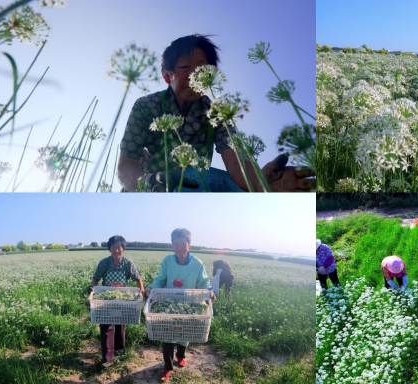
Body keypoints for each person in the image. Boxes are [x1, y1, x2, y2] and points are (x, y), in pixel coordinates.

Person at [118, 34, 315, 192]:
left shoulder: (219, 114)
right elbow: (126, 165)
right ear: (167, 75)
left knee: (213, 180)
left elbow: (236, 161)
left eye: (204, 68)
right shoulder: (146, 106)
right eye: (186, 66)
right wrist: (147, 185)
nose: (196, 73)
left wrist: (261, 184)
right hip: (148, 186)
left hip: (194, 187)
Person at [148, 228, 214, 382]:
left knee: (185, 332)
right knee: (168, 335)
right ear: (172, 245)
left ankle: (181, 355)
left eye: (182, 243)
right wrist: (152, 287)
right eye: (175, 243)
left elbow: (204, 281)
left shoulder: (197, 264)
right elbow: (161, 278)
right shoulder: (168, 261)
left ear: (188, 244)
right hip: (169, 304)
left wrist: (209, 291)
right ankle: (167, 368)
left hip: (189, 305)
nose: (179, 247)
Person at [91, 235, 144, 367]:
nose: (116, 251)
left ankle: (120, 351)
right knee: (106, 325)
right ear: (109, 249)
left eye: (119, 248)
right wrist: (93, 291)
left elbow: (138, 278)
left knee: (121, 324)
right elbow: (96, 279)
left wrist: (141, 290)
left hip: (122, 298)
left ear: (123, 249)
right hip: (106, 298)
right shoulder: (104, 263)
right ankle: (107, 356)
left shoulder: (127, 263)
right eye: (113, 248)